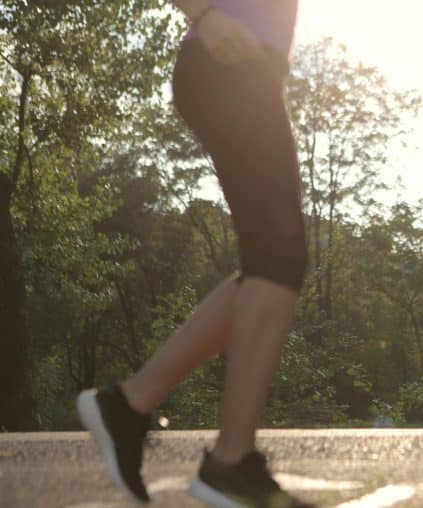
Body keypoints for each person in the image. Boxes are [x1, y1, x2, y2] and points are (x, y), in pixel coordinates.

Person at [76, 1, 314, 506]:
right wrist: (204, 11)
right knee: (280, 255)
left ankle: (129, 405)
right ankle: (229, 464)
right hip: (224, 61)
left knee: (272, 261)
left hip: (248, 72)